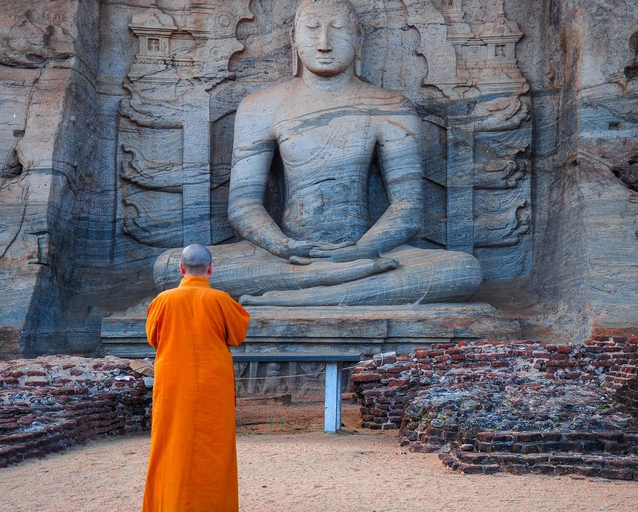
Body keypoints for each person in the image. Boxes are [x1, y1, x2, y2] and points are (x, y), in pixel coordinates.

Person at [153, 0, 483, 306]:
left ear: (359, 41)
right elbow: (243, 206)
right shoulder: (260, 106)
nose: (324, 42)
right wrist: (281, 245)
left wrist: (358, 252)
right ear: (293, 39)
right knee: (170, 269)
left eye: (338, 29)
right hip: (284, 257)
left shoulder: (390, 106)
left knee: (462, 270)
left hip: (365, 252)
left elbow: (407, 207)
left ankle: (300, 296)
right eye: (312, 29)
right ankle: (332, 284)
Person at [143, 244, 250, 512]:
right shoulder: (223, 301)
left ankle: (170, 504)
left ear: (181, 269)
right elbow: (237, 337)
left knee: (170, 443)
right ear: (211, 269)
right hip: (213, 385)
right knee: (214, 446)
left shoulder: (163, 301)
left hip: (173, 382)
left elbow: (153, 339)